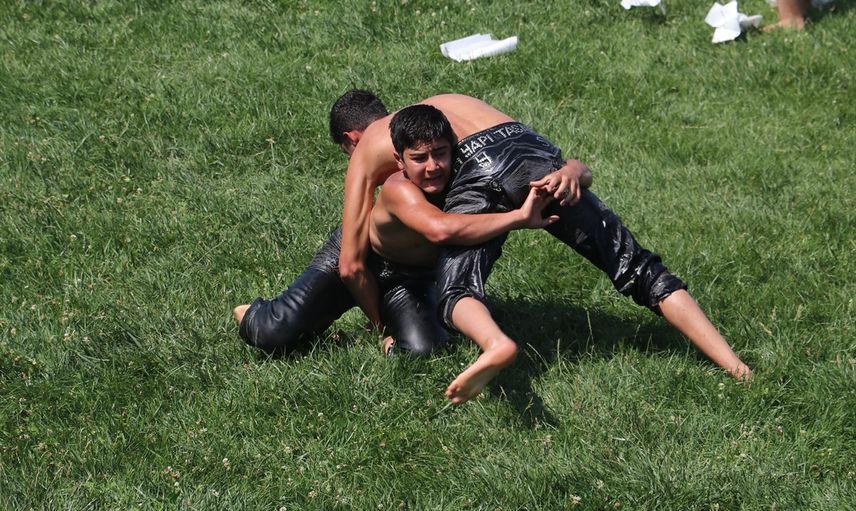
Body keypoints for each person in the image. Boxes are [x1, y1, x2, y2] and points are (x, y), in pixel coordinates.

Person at [331, 90, 753, 388]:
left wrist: (380, 326)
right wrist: (570, 172)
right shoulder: (455, 101)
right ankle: (737, 368)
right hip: (529, 149)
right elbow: (577, 168)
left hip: (478, 167)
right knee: (639, 267)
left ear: (353, 138)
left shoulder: (375, 144)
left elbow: (351, 260)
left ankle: (495, 344)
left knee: (455, 290)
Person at [233, 100, 555, 359]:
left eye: (439, 153)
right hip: (359, 259)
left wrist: (570, 171)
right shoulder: (397, 186)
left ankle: (346, 320)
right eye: (419, 158)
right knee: (274, 333)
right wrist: (382, 328)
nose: (432, 166)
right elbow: (354, 266)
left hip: (409, 278)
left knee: (424, 351)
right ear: (400, 160)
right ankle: (253, 313)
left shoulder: (468, 173)